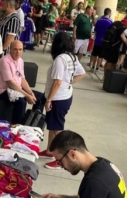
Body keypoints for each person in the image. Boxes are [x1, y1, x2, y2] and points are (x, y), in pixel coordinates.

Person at [38, 32, 85, 169]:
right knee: (52, 127)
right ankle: (50, 151)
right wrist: (69, 82)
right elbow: (82, 73)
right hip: (65, 96)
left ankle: (61, 159)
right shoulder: (72, 57)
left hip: (58, 99)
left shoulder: (60, 59)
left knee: (58, 130)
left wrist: (48, 100)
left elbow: (57, 82)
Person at [43, 130, 127, 198]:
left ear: (72, 154)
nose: (61, 166)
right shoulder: (103, 163)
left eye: (60, 161)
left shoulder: (94, 182)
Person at [0, 40, 36, 124]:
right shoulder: (4, 61)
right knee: (21, 102)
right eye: (15, 49)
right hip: (4, 90)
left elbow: (22, 79)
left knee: (39, 98)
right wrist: (26, 95)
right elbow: (10, 83)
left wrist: (30, 92)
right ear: (10, 49)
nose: (18, 52)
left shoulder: (20, 61)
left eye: (20, 49)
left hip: (16, 89)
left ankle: (31, 123)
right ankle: (16, 126)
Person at [89, 8, 112, 72]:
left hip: (97, 40)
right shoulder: (110, 22)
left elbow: (95, 30)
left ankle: (92, 67)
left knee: (94, 54)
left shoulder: (99, 21)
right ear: (109, 14)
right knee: (100, 56)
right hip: (104, 41)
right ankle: (97, 68)